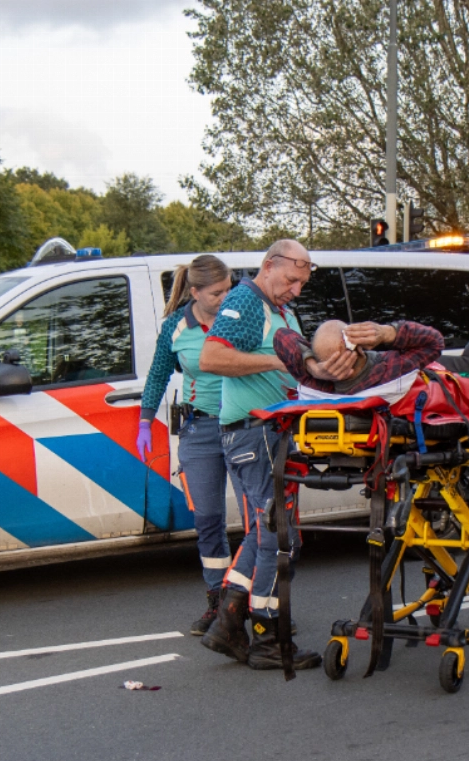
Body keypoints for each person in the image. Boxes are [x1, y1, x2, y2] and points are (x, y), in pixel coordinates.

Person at [197, 239, 323, 671]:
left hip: (268, 433)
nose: (296, 290)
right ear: (269, 266)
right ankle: (269, 634)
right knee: (277, 535)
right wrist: (274, 362)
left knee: (263, 531)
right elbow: (211, 358)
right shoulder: (248, 301)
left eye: (303, 283)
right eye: (291, 280)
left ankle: (229, 621)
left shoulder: (280, 309)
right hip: (255, 435)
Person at [136, 255, 234, 635]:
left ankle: (258, 604)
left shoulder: (239, 317)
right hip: (201, 429)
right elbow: (159, 373)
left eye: (229, 288)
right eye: (217, 292)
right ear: (194, 292)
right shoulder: (177, 326)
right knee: (209, 521)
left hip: (245, 425)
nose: (226, 297)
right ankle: (218, 602)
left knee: (261, 521)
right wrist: (145, 420)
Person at [274, 318, 445, 399]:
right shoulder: (393, 370)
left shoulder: (316, 386)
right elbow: (435, 342)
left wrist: (313, 368)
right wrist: (387, 333)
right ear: (361, 349)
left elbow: (281, 336)